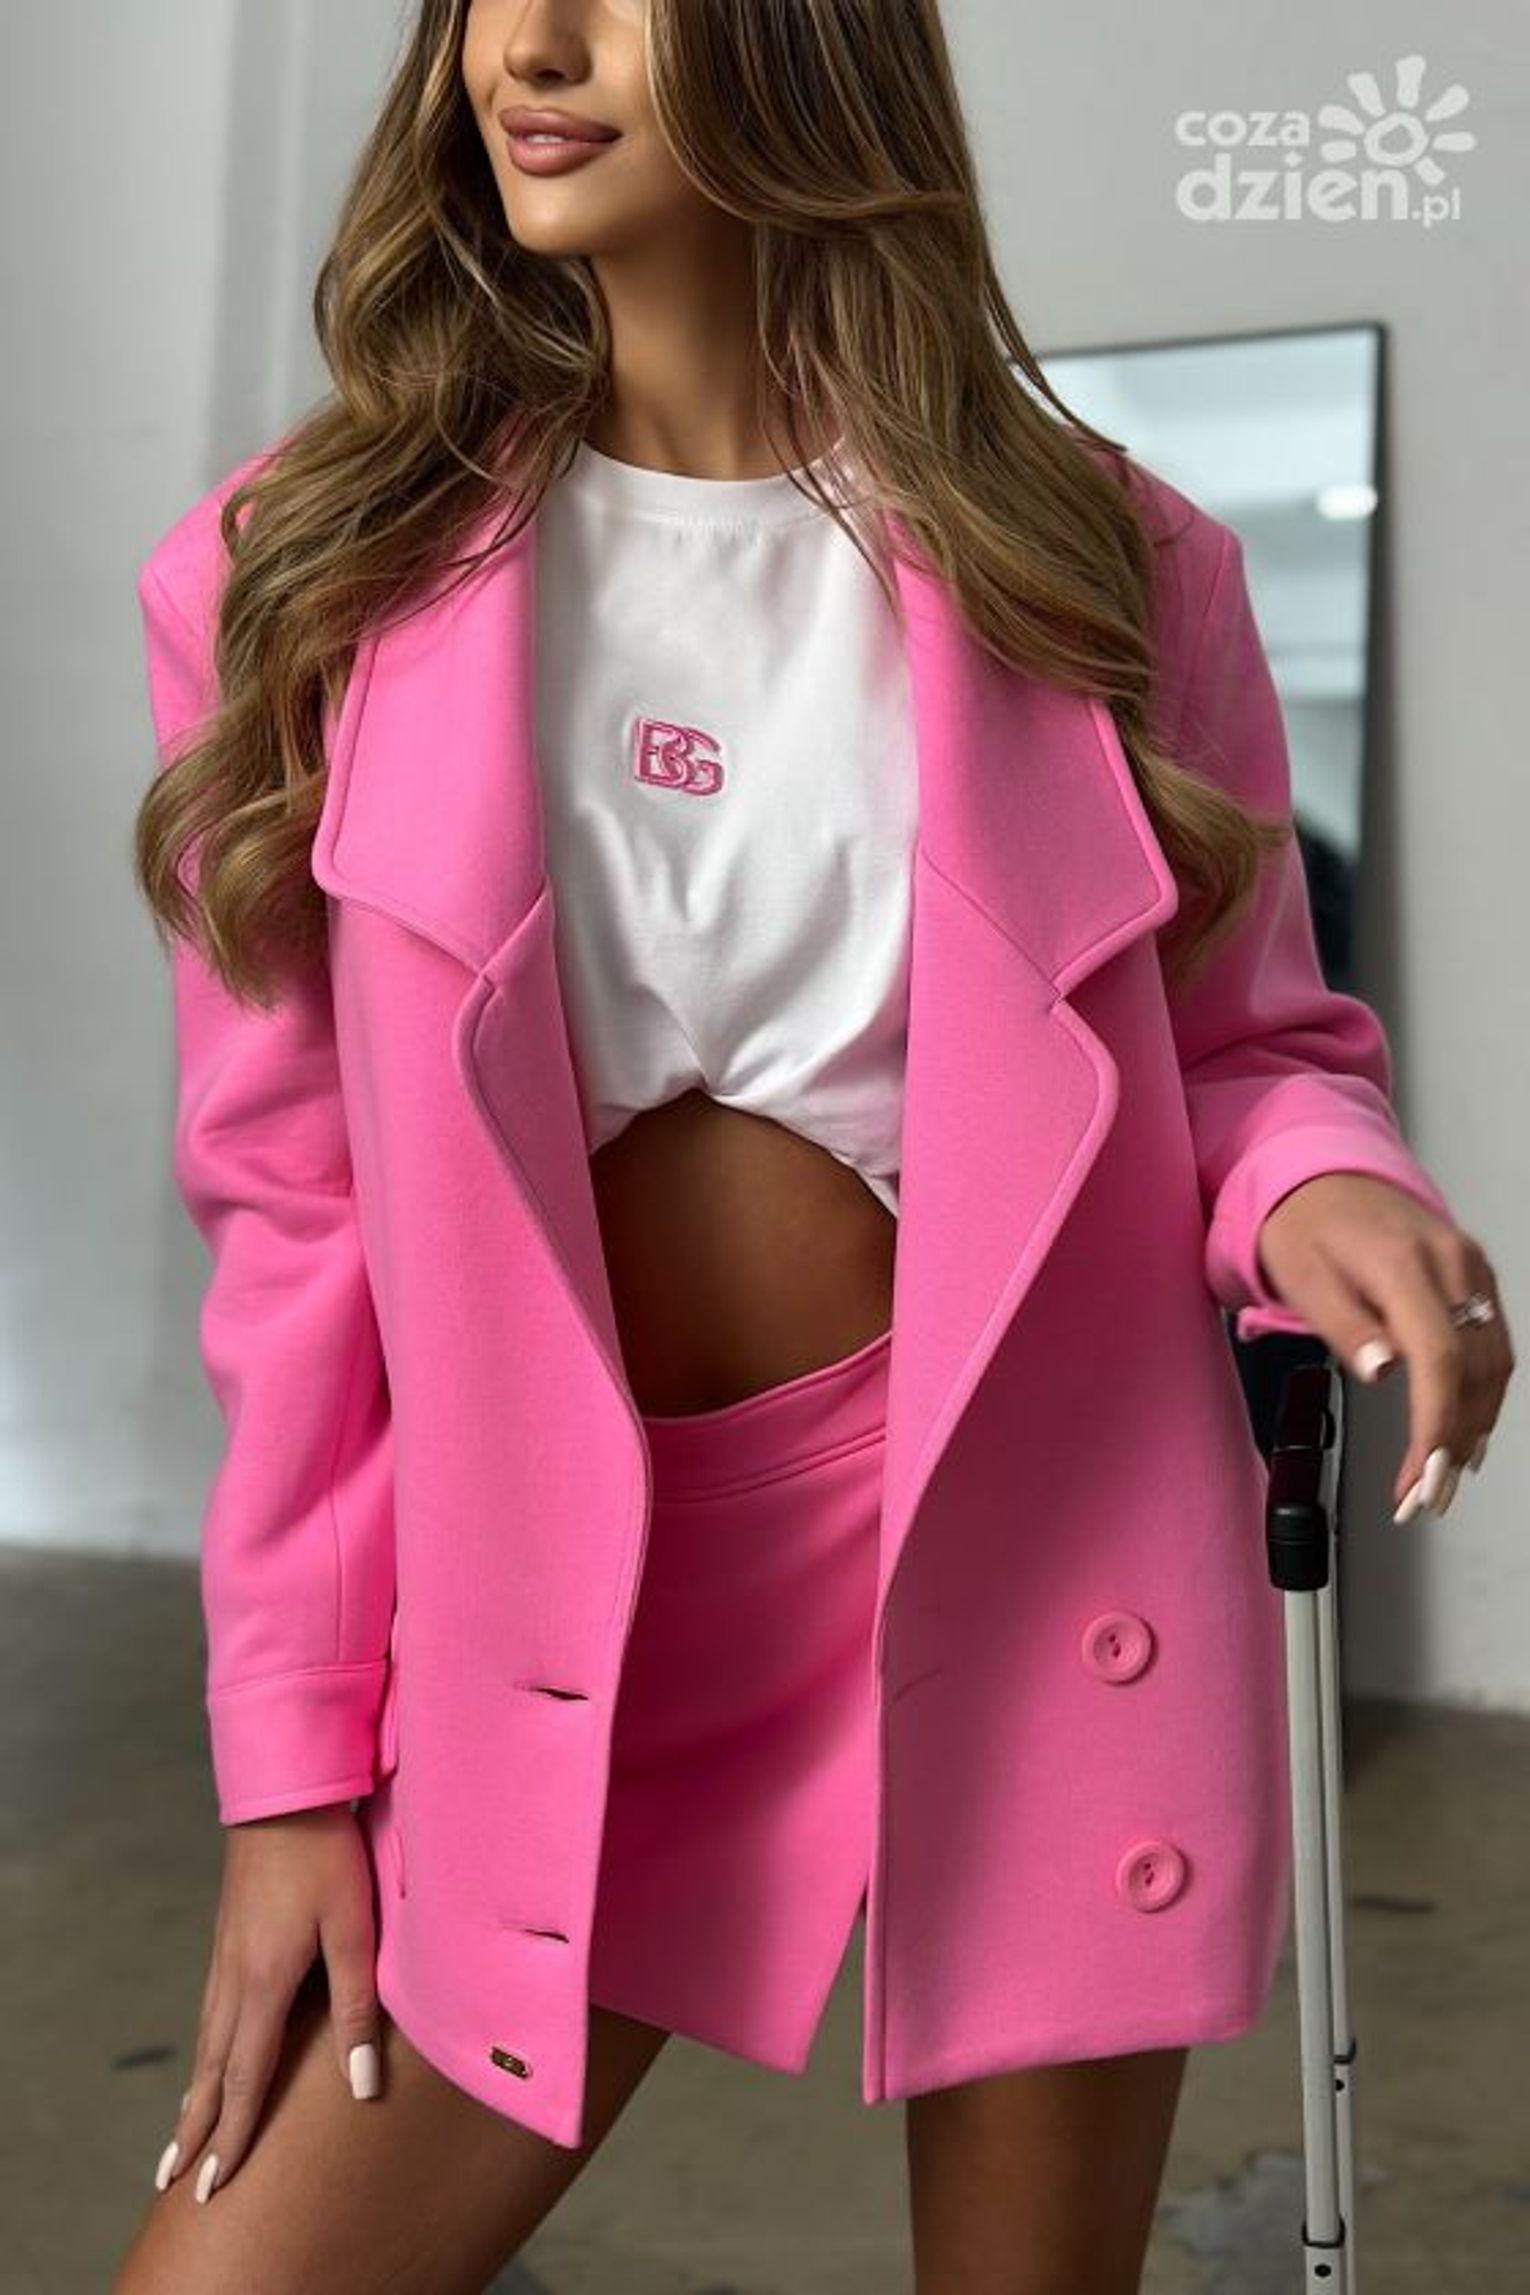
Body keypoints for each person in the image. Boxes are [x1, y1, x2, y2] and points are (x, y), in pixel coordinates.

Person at [113, 3, 1514, 2291]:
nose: (532, 45)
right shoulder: (297, 577)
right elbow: (296, 1217)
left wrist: (1321, 1181)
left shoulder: (1106, 562)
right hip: (557, 1597)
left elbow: (1249, 1047)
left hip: (1034, 1537)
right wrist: (290, 1773)